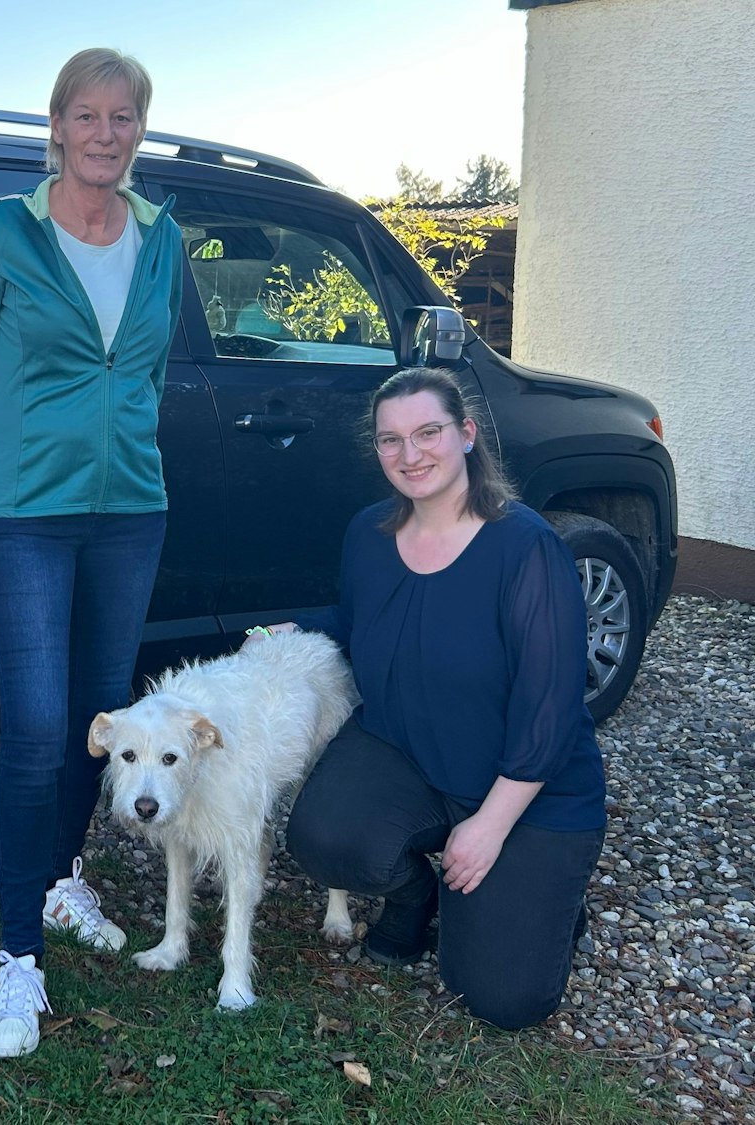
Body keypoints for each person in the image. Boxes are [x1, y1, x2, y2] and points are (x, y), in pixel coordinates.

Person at [0, 47, 184, 1058]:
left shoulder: (161, 237)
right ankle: (16, 961)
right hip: (24, 510)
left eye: (123, 117)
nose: (105, 134)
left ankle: (62, 875)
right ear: (56, 126)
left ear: (138, 129)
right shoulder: (3, 232)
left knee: (98, 717)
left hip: (129, 510)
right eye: (87, 115)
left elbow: (147, 367)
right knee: (36, 729)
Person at [252, 366, 606, 1030]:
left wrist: (490, 825)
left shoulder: (526, 548)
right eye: (391, 440)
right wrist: (290, 630)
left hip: (527, 789)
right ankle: (415, 896)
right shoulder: (369, 534)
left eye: (428, 432)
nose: (410, 455)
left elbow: (550, 709)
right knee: (323, 836)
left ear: (466, 434)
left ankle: (550, 894)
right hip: (408, 751)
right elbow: (357, 623)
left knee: (500, 996)